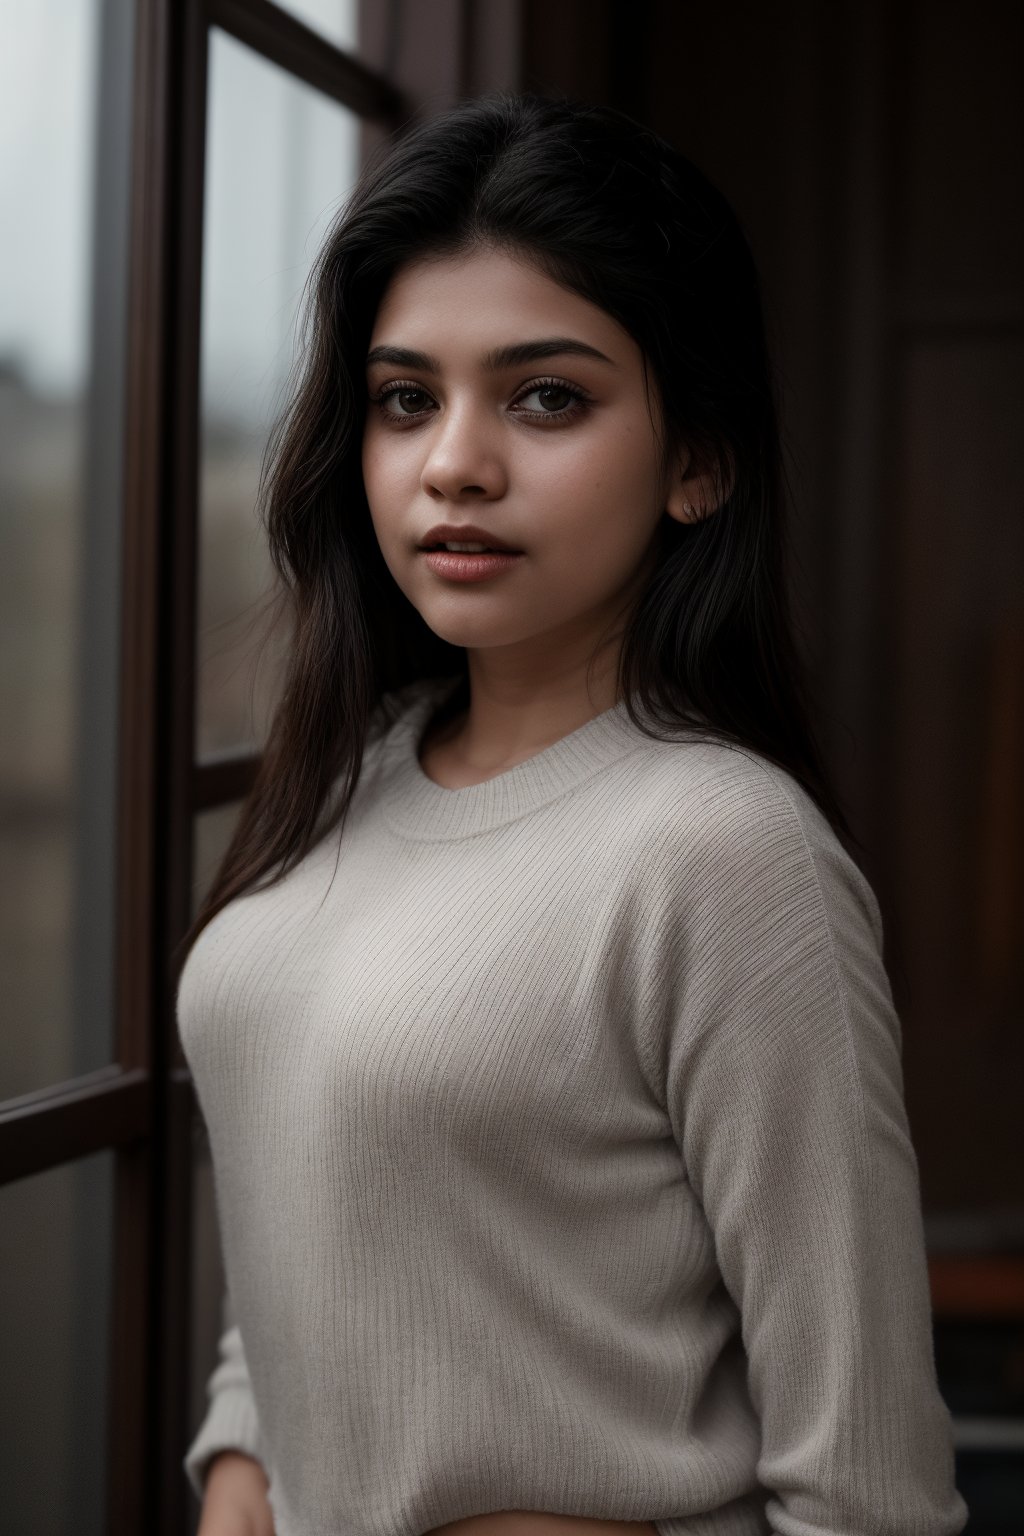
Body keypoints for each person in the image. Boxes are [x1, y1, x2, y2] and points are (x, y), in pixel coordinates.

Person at [176, 91, 969, 1536]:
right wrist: (242, 1453)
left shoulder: (725, 852)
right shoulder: (355, 767)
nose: (453, 463)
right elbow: (327, 1192)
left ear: (697, 462)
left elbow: (871, 1494)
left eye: (547, 397)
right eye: (406, 398)